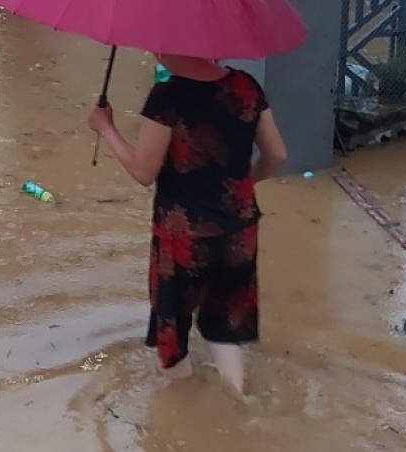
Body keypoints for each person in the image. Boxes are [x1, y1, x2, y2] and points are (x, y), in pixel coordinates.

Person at [86, 54, 288, 395]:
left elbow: (143, 172)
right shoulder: (246, 87)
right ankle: (240, 405)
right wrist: (243, 187)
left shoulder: (168, 97)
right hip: (239, 231)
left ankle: (184, 414)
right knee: (225, 323)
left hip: (183, 238)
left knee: (172, 330)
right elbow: (277, 155)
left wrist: (106, 128)